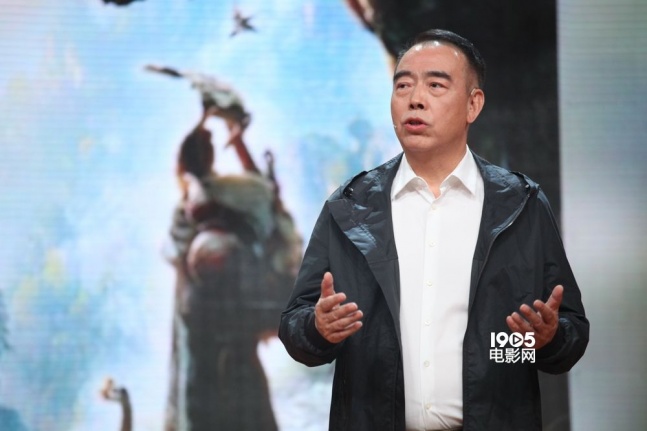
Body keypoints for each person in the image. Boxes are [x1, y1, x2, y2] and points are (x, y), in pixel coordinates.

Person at [278, 29, 588, 431]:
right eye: (403, 85)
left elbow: (569, 335)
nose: (415, 99)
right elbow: (295, 326)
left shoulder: (520, 204)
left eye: (435, 85)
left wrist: (542, 339)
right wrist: (318, 329)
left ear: (473, 104)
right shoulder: (350, 206)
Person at [164, 108, 301, 431]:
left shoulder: (199, 210)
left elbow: (265, 202)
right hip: (212, 347)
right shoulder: (200, 212)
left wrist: (238, 146)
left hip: (224, 349)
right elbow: (267, 203)